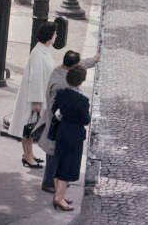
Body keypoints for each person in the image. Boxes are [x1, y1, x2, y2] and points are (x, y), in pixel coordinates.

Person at [36, 49, 99, 194]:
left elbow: (81, 64)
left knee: (59, 154)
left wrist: (94, 60)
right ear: (72, 66)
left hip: (60, 124)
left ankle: (58, 181)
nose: (80, 66)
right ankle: (49, 182)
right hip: (56, 123)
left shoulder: (65, 69)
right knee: (53, 154)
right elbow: (55, 108)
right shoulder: (61, 85)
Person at [10, 22, 57, 169]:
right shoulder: (38, 54)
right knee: (29, 128)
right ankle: (28, 157)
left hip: (38, 96)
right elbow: (35, 78)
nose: (56, 36)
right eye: (55, 33)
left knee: (30, 127)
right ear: (50, 36)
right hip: (34, 99)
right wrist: (36, 101)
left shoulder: (42, 50)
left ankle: (29, 155)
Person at [52, 66, 91, 212]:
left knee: (60, 162)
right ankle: (59, 198)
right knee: (68, 166)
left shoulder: (61, 93)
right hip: (74, 134)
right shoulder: (82, 100)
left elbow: (54, 110)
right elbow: (86, 119)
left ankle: (58, 194)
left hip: (62, 131)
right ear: (81, 81)